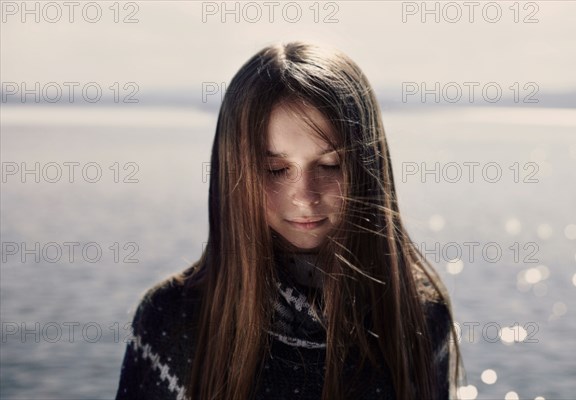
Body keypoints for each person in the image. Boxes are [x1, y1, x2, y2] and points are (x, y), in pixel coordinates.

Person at [115, 41, 463, 400]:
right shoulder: (172, 319)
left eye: (330, 165)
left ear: (368, 168)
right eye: (277, 170)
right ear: (235, 175)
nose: (305, 194)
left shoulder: (419, 313)